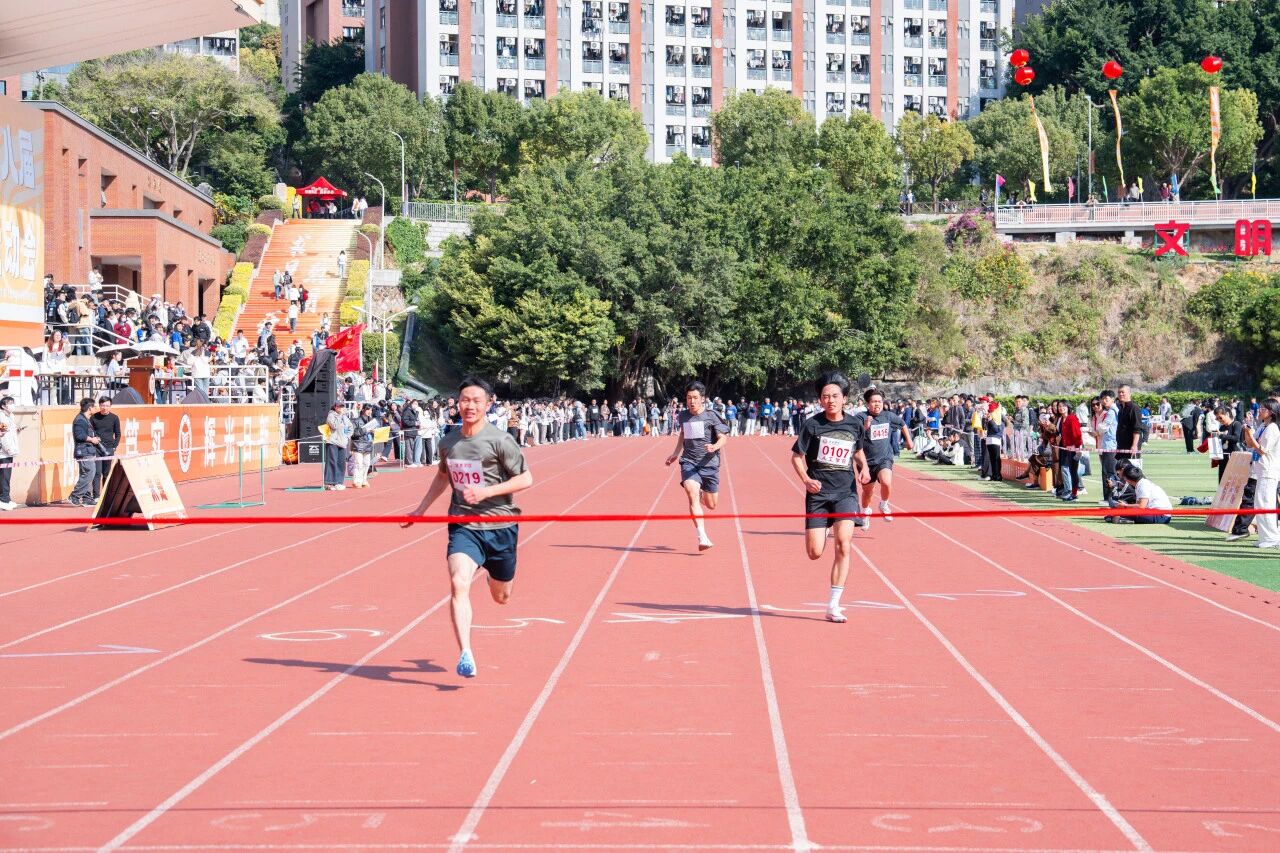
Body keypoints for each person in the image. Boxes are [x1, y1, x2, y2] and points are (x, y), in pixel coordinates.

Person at [402, 376, 533, 678]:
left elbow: (526, 478)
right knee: (459, 582)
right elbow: (442, 476)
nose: (469, 406)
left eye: (476, 401)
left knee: (502, 597)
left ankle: (491, 576)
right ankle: (466, 653)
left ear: (488, 404)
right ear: (457, 404)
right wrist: (420, 510)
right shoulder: (448, 442)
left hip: (500, 525)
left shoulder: (501, 440)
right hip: (463, 525)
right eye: (464, 400)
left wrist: (486, 492)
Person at [790, 371, 866, 623]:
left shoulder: (854, 424)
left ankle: (833, 605)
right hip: (818, 495)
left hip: (846, 493)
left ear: (844, 398)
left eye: (835, 396)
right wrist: (806, 479)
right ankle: (823, 526)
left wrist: (864, 468)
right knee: (814, 553)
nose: (830, 400)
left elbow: (858, 451)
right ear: (820, 400)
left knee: (844, 544)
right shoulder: (812, 425)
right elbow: (796, 457)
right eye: (825, 396)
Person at [666, 381, 729, 551]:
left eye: (695, 398)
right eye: (688, 398)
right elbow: (683, 434)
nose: (691, 401)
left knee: (711, 505)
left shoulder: (712, 415)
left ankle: (702, 493)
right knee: (691, 493)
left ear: (702, 398)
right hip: (689, 462)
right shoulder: (683, 416)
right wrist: (675, 453)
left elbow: (723, 437)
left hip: (709, 464)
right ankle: (702, 536)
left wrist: (715, 446)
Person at [855, 388, 913, 527]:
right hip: (866, 462)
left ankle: (884, 504)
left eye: (880, 401)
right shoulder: (860, 417)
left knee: (886, 482)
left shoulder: (888, 416)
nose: (877, 404)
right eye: (874, 401)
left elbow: (903, 424)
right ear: (868, 404)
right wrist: (865, 427)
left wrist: (909, 440)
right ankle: (866, 511)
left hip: (884, 458)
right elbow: (854, 436)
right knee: (867, 492)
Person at [1106, 464, 1172, 524]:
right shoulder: (1140, 483)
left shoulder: (1143, 485)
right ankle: (1123, 518)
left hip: (1161, 516)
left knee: (1115, 514)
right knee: (1116, 513)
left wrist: (1125, 506)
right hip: (1158, 514)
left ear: (1126, 478)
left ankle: (1123, 518)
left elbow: (1141, 506)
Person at [69, 398, 102, 506]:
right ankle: (74, 496)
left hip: (88, 450)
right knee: (89, 472)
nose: (96, 408)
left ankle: (87, 498)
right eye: (94, 406)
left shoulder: (85, 419)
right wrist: (92, 439)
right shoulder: (80, 420)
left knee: (88, 474)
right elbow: (79, 435)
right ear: (89, 408)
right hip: (84, 451)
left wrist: (94, 438)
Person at [90, 396, 121, 501]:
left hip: (109, 449)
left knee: (106, 473)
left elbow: (118, 434)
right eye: (102, 405)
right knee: (97, 472)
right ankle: (96, 495)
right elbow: (90, 432)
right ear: (99, 405)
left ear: (110, 406)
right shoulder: (94, 418)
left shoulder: (114, 418)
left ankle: (106, 495)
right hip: (97, 448)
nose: (105, 408)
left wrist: (114, 446)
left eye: (107, 405)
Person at [0, 396, 23, 510]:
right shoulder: (1, 418)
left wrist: (17, 430)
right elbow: (3, 435)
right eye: (9, 403)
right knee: (4, 477)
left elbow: (10, 432)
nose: (12, 405)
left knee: (7, 476)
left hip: (9, 452)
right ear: (3, 406)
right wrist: (9, 449)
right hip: (3, 453)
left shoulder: (11, 416)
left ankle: (6, 498)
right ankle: (3, 499)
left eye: (13, 403)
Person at [323, 402, 352, 490]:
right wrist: (339, 416)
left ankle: (339, 482)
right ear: (335, 407)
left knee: (341, 463)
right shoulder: (331, 415)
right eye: (339, 406)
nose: (340, 408)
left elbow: (350, 427)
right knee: (332, 461)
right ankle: (329, 483)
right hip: (333, 442)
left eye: (342, 406)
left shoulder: (345, 417)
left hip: (342, 443)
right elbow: (334, 426)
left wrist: (347, 436)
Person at [350, 403, 377, 488]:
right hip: (358, 444)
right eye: (368, 409)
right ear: (363, 410)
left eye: (371, 410)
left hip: (368, 444)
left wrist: (374, 432)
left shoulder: (371, 421)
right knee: (358, 463)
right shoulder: (356, 420)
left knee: (366, 464)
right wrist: (365, 429)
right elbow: (353, 433)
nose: (370, 411)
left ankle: (364, 480)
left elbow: (371, 434)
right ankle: (356, 481)